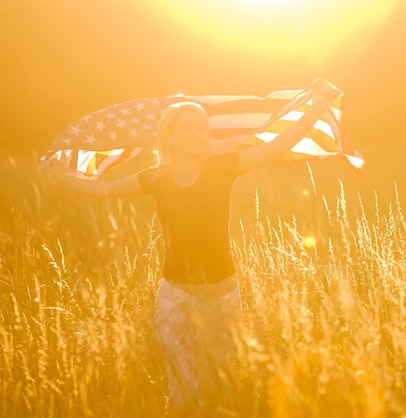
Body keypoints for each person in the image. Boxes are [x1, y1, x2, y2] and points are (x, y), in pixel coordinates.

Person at [49, 78, 340, 417]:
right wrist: (62, 176)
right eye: (186, 127)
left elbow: (278, 144)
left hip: (222, 298)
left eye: (200, 127)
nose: (195, 132)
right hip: (175, 298)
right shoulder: (155, 178)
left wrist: (317, 105)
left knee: (220, 387)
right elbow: (105, 190)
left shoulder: (223, 166)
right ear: (168, 135)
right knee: (184, 393)